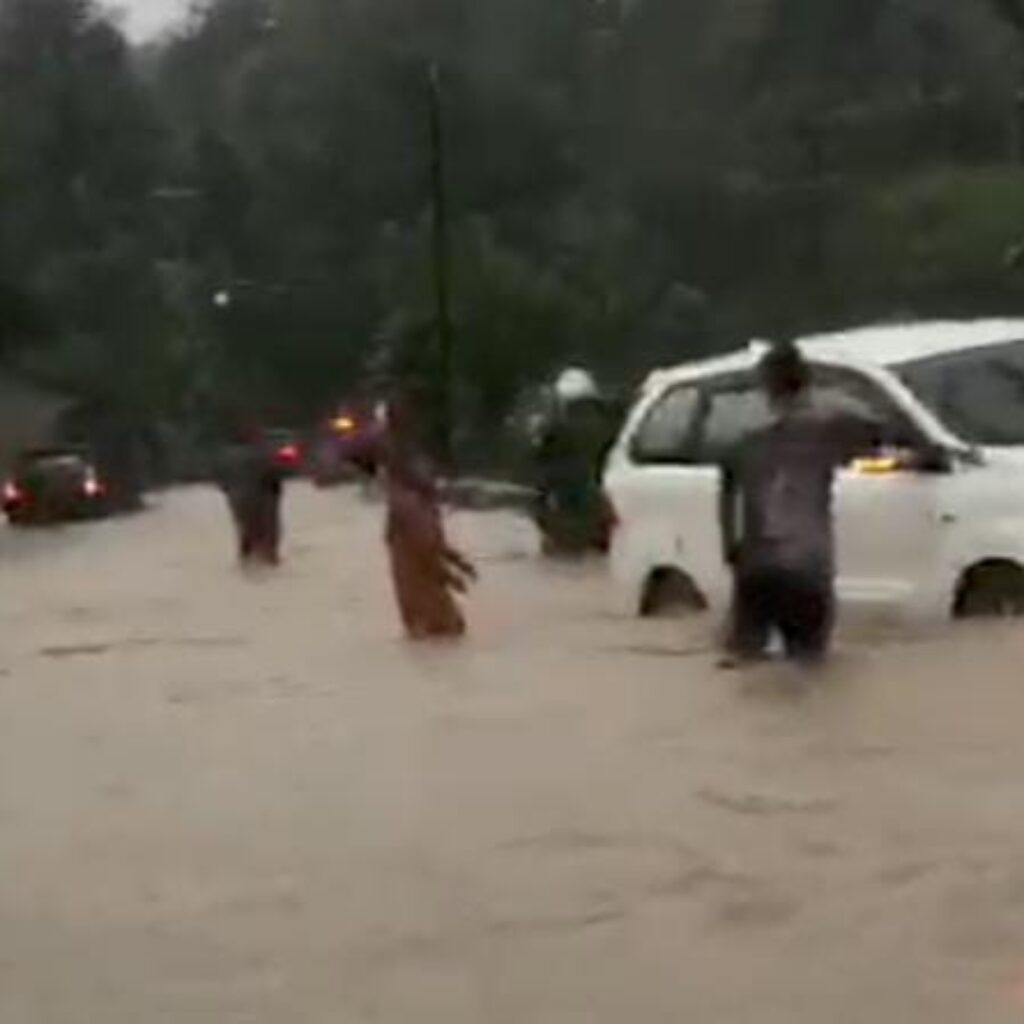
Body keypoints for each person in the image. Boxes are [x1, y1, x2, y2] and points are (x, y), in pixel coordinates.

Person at [718, 342, 880, 668]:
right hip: (807, 567)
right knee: (810, 667)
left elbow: (726, 498)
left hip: (757, 566)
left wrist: (731, 548)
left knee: (746, 664)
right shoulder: (827, 429)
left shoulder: (744, 437)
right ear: (806, 380)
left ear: (765, 386)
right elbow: (877, 429)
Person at [383, 394, 476, 640]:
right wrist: (451, 575)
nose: (431, 475)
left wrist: (456, 561)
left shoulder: (406, 497)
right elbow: (425, 547)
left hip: (419, 605)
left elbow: (430, 542)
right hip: (426, 604)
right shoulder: (408, 501)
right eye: (426, 469)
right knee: (450, 633)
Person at [532, 368, 618, 556]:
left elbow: (541, 479)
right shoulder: (609, 427)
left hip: (579, 510)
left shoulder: (554, 431)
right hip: (584, 510)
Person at [218, 427, 285, 567]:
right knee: (267, 537)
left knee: (246, 533)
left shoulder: (226, 456)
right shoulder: (261, 453)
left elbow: (221, 482)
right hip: (260, 499)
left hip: (237, 500)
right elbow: (272, 476)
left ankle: (246, 563)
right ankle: (269, 561)